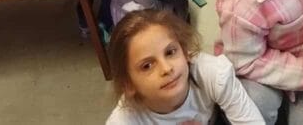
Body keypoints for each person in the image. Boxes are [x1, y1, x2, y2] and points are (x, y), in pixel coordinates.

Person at [106, 8, 263, 125]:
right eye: (147, 66)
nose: (166, 68)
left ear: (185, 52)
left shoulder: (214, 73)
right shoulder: (124, 120)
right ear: (128, 84)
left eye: (170, 52)